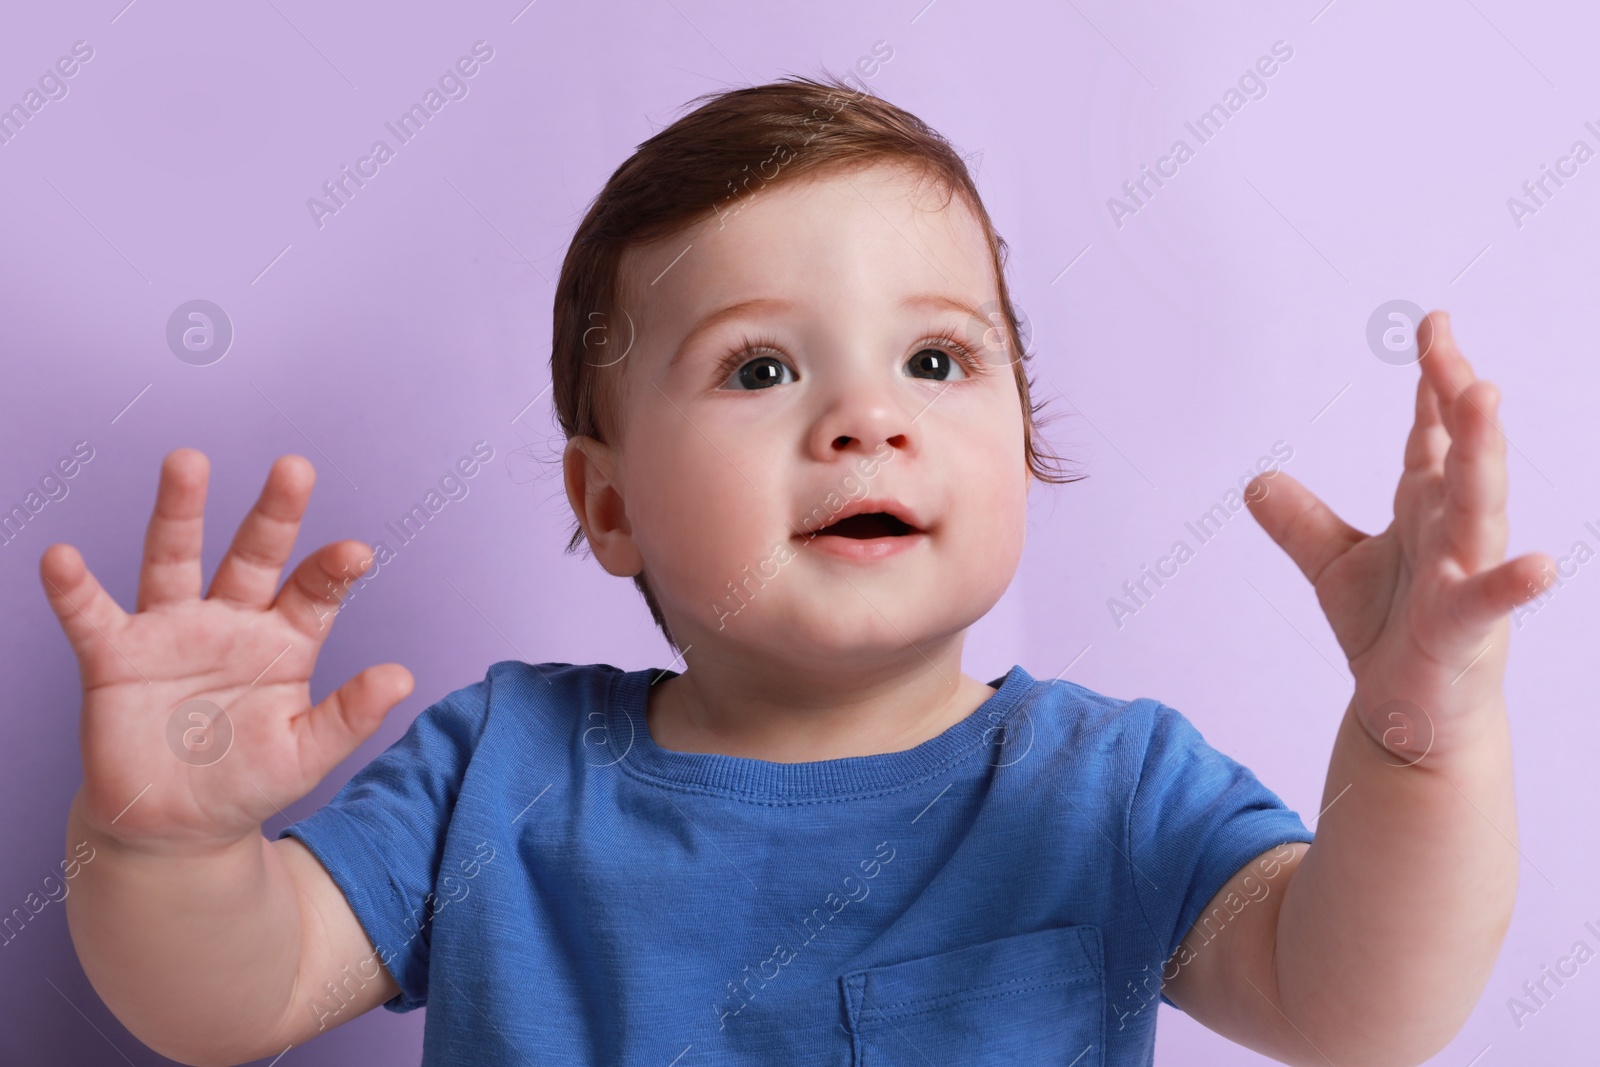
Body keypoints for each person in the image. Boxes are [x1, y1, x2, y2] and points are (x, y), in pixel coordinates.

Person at [43, 74, 1551, 1066]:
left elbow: (1364, 1009)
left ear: (1023, 438)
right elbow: (221, 1002)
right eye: (760, 366)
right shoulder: (491, 771)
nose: (866, 416)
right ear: (608, 502)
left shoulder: (1107, 784)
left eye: (939, 356)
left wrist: (1423, 731)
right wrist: (166, 848)